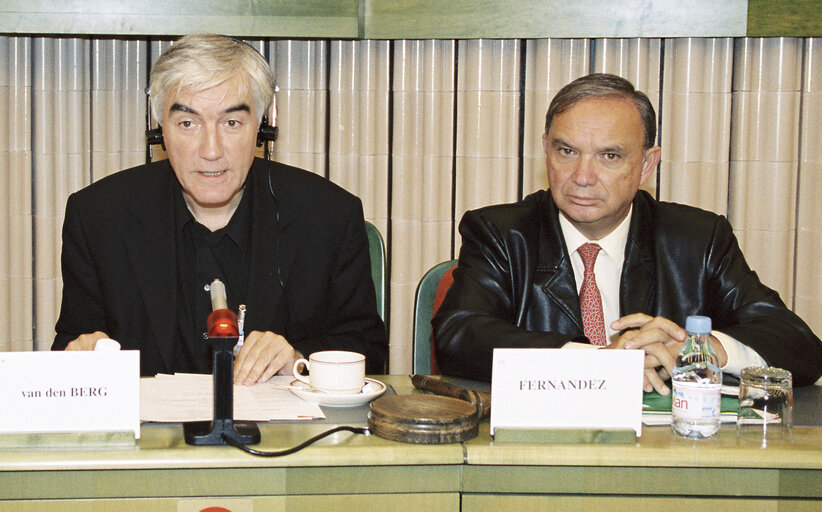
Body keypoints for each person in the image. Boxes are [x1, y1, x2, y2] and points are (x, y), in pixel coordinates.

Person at [433, 73, 822, 390]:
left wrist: (699, 349)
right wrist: (602, 361)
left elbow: (799, 345)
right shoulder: (501, 233)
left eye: (610, 156)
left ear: (647, 164)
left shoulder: (697, 239)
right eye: (565, 151)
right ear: (545, 149)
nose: (582, 178)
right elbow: (459, 334)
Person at [52, 33, 387, 383]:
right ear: (159, 128)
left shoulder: (328, 217)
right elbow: (72, 344)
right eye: (188, 123)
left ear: (263, 125)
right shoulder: (97, 217)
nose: (211, 150)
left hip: (281, 437)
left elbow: (370, 352)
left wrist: (298, 360)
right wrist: (80, 353)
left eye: (231, 123)